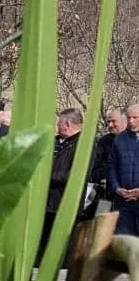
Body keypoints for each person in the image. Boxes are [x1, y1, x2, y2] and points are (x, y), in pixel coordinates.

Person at [41, 109, 92, 258]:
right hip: (45, 203)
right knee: (43, 244)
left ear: (67, 124)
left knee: (61, 246)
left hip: (64, 204)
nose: (57, 126)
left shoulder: (84, 144)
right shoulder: (53, 142)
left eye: (59, 123)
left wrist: (44, 177)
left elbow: (75, 174)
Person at [107, 102, 139, 239]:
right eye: (129, 117)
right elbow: (112, 166)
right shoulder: (119, 139)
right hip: (123, 202)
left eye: (135, 118)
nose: (131, 121)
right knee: (124, 241)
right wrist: (116, 188)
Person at [93, 107, 127, 204]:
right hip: (107, 195)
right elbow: (95, 166)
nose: (110, 125)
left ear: (125, 121)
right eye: (108, 122)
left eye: (113, 121)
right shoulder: (104, 141)